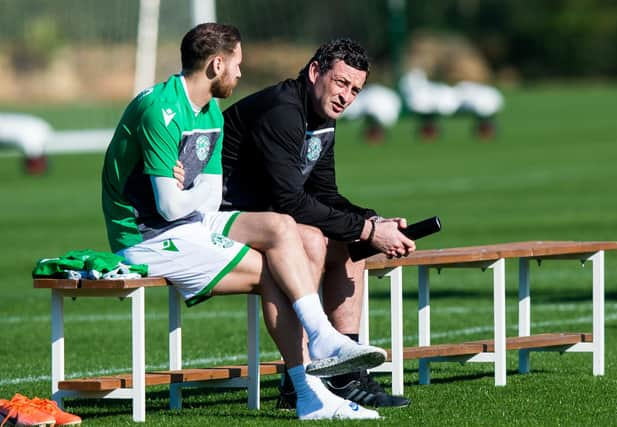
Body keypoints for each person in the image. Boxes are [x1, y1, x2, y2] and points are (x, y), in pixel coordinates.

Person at [101, 23, 386, 420]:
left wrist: (186, 189)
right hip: (147, 234)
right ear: (217, 64)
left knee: (282, 228)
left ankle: (319, 357)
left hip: (195, 220)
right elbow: (167, 207)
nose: (240, 73)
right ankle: (311, 388)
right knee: (276, 270)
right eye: (237, 64)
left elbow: (209, 194)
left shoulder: (211, 112)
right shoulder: (158, 109)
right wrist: (186, 193)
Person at [218, 38, 415, 408]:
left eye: (356, 90)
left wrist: (373, 222)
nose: (346, 96)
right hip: (224, 218)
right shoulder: (282, 111)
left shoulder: (322, 116)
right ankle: (300, 378)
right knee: (311, 237)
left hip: (268, 219)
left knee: (351, 237)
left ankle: (345, 370)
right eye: (341, 83)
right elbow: (289, 202)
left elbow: (323, 192)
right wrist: (369, 229)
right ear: (315, 72)